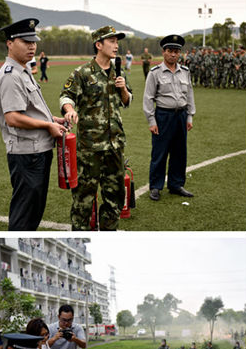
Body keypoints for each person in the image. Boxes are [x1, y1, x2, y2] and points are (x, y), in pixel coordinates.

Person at [0, 18, 68, 231]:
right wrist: (47, 127)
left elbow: (30, 109)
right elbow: (13, 118)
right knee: (24, 215)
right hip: (27, 154)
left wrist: (53, 120)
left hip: (38, 151)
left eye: (34, 41)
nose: (32, 46)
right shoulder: (10, 76)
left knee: (34, 212)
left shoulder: (23, 70)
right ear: (10, 43)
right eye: (25, 41)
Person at [59, 25, 132, 231]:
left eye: (117, 42)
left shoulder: (120, 71)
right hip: (89, 149)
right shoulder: (82, 73)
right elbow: (66, 96)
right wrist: (69, 110)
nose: (116, 46)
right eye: (112, 41)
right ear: (99, 45)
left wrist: (123, 88)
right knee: (83, 200)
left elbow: (127, 101)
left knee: (114, 199)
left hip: (115, 146)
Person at [143, 34, 195, 201]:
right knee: (160, 152)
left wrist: (190, 116)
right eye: (170, 51)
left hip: (181, 115)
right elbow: (148, 98)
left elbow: (190, 95)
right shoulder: (155, 73)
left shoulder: (185, 72)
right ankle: (156, 186)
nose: (174, 54)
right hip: (163, 116)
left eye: (177, 52)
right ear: (163, 52)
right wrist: (152, 121)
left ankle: (176, 184)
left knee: (180, 153)